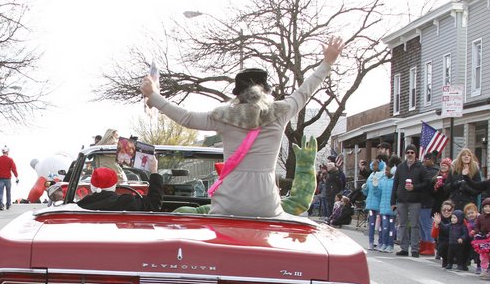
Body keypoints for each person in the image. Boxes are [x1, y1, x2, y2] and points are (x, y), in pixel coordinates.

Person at [141, 37, 343, 218]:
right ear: (266, 93)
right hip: (266, 206)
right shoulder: (281, 112)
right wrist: (328, 62)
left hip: (227, 205)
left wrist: (153, 95)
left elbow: (186, 118)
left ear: (237, 95)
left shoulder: (222, 117)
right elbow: (305, 91)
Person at [77, 157, 164, 211]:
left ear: (92, 186)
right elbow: (154, 204)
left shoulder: (80, 205)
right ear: (114, 185)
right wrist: (154, 171)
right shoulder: (126, 202)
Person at [391, 144, 428, 257]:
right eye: (408, 152)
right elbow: (395, 184)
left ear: (415, 154)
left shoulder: (420, 167)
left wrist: (414, 187)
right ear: (405, 154)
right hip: (401, 200)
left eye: (412, 152)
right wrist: (392, 202)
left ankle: (415, 249)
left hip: (415, 201)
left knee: (414, 225)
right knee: (402, 225)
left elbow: (426, 182)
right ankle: (404, 248)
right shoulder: (400, 167)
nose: (410, 154)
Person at [0, 146, 20, 211]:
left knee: (1, 192)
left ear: (2, 152)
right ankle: (8, 204)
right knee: (8, 192)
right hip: (8, 178)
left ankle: (1, 205)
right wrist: (16, 176)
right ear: (7, 152)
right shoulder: (10, 160)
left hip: (0, 178)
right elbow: (14, 169)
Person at [435, 200, 455, 268]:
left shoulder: (457, 218)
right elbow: (433, 235)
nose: (446, 212)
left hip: (455, 241)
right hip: (443, 241)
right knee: (442, 247)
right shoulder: (438, 218)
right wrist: (436, 226)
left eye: (449, 210)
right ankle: (445, 259)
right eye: (444, 210)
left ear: (452, 210)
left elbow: (447, 228)